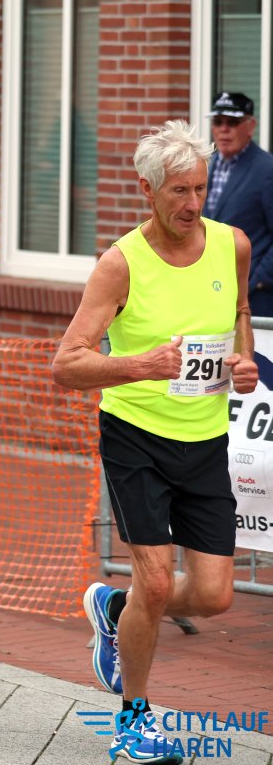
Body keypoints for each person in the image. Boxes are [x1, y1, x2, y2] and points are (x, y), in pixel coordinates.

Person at [54, 121, 254, 765]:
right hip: (136, 436)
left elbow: (240, 312)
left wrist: (244, 360)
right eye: (177, 191)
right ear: (147, 189)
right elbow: (67, 364)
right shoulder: (121, 264)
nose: (192, 204)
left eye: (199, 189)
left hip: (206, 437)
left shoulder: (232, 244)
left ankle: (116, 607)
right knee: (159, 583)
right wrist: (141, 365)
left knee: (216, 595)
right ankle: (134, 720)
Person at [201, 90, 273, 318]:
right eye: (218, 121)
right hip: (212, 293)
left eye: (232, 122)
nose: (224, 129)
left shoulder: (267, 170)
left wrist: (259, 280)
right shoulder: (206, 166)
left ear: (251, 126)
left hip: (255, 299)